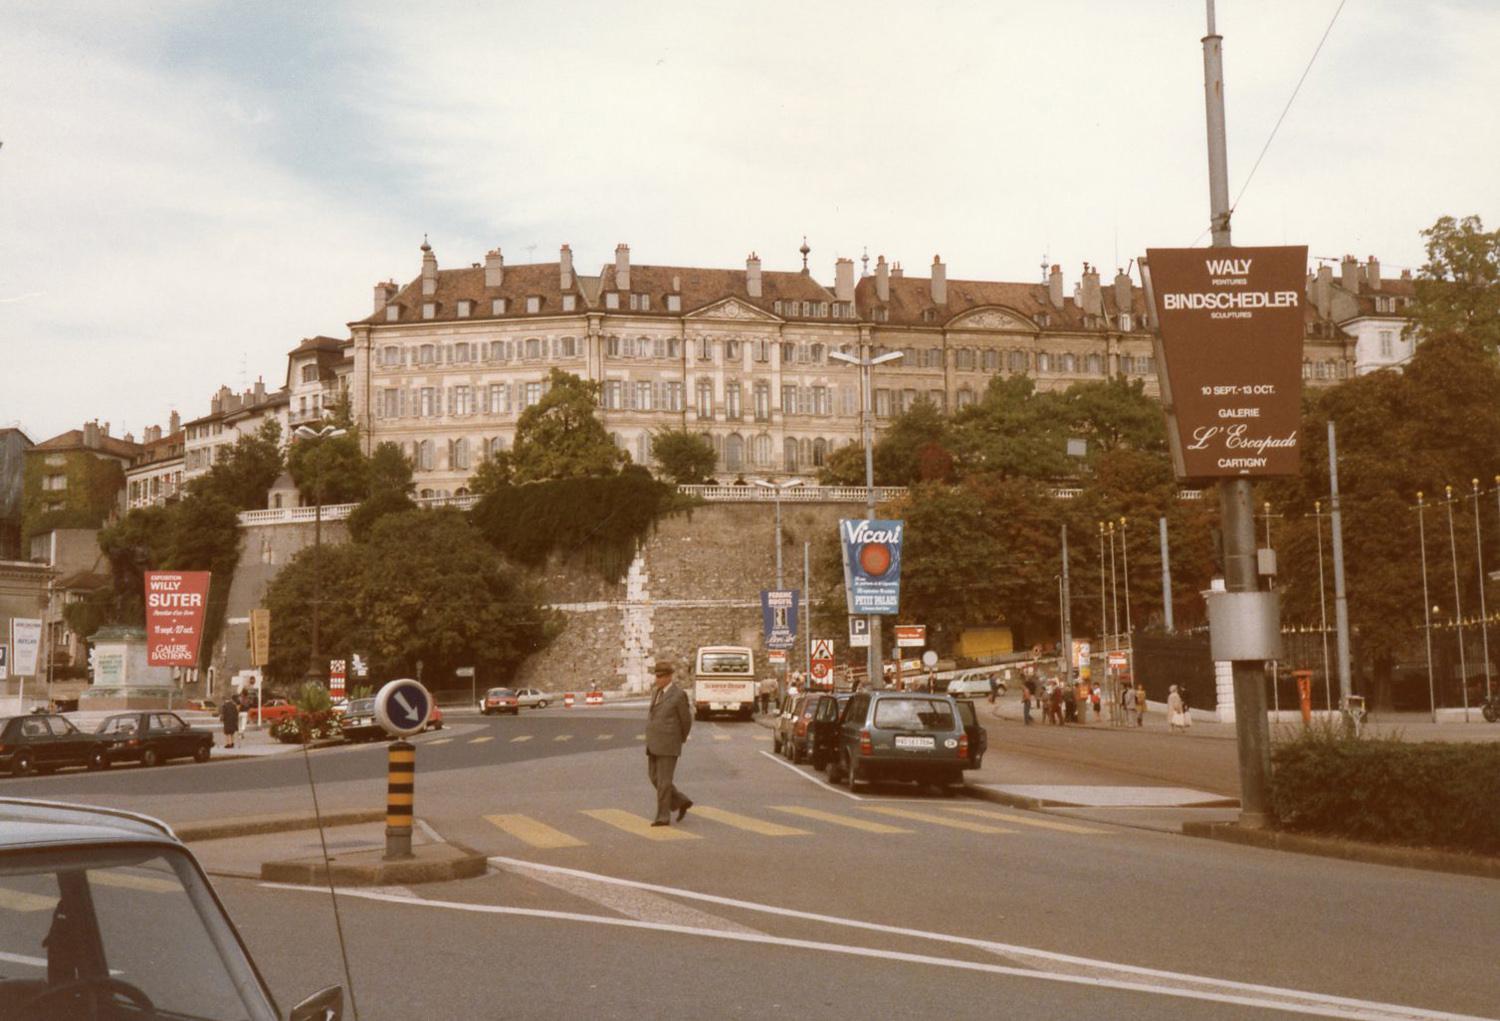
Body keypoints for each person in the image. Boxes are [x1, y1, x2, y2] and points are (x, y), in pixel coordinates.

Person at [645, 662, 694, 826]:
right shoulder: (656, 692)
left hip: (669, 743)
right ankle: (681, 800)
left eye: (660, 677)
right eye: (656, 676)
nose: (657, 680)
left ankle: (663, 817)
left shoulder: (678, 695)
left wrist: (679, 738)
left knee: (664, 783)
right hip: (653, 743)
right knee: (654, 778)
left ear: (668, 677)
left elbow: (686, 720)